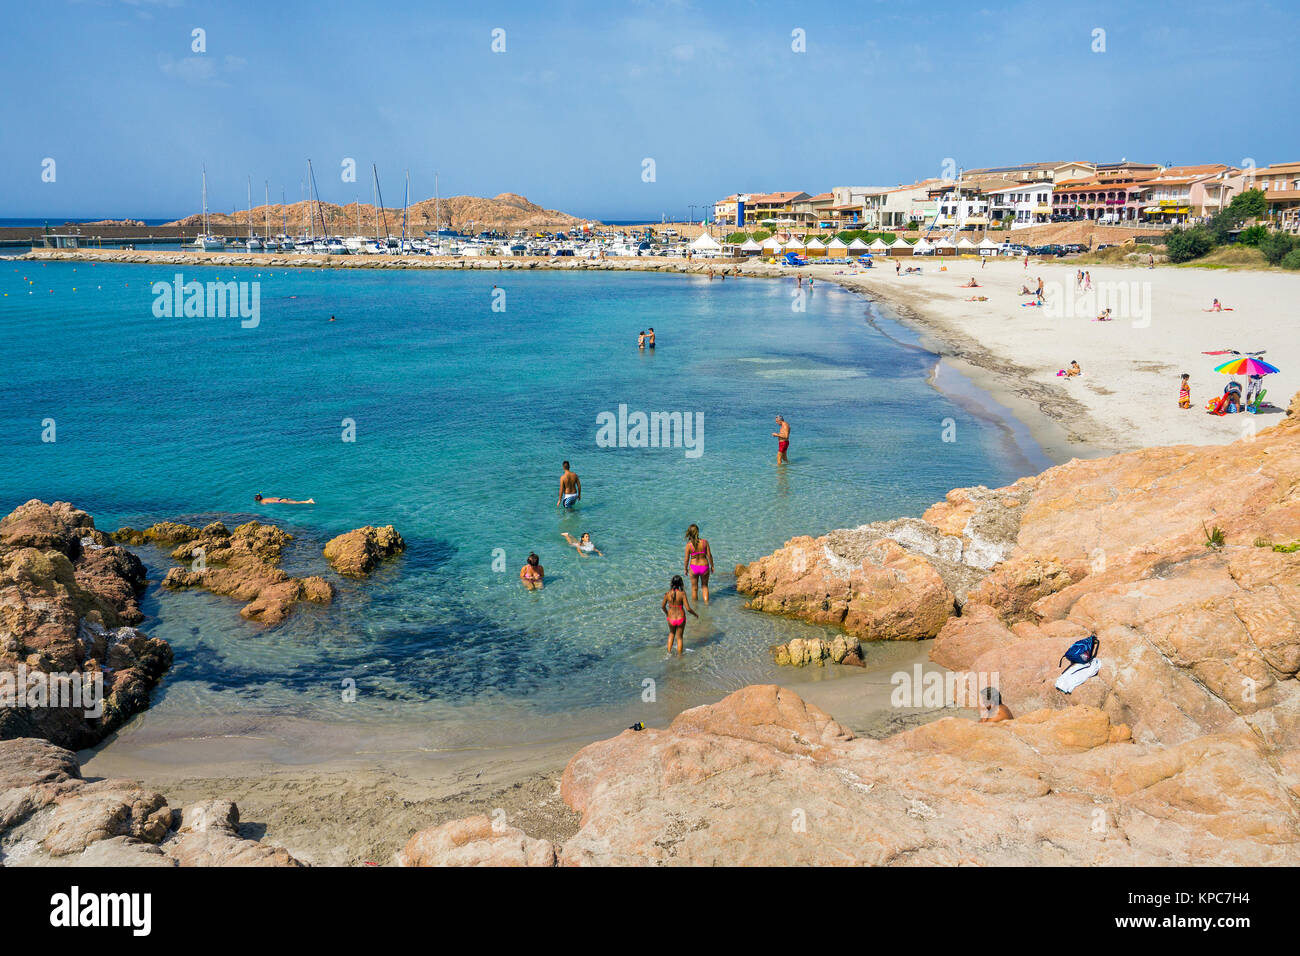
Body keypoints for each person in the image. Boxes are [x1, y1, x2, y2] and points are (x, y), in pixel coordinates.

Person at [661, 574, 699, 656]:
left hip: (671, 619)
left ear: (671, 583)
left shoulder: (667, 594)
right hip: (680, 618)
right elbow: (688, 609)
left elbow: (662, 606)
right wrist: (695, 614)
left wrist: (667, 614)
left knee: (671, 634)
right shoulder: (682, 594)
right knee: (679, 638)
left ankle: (668, 654)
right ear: (681, 584)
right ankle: (680, 657)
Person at [683, 524, 714, 603]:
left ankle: (695, 608)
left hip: (694, 567)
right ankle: (707, 604)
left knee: (694, 588)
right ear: (698, 532)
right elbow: (709, 555)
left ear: (689, 533)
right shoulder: (705, 542)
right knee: (705, 587)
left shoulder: (688, 545)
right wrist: (712, 566)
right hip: (704, 566)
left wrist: (685, 569)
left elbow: (686, 559)